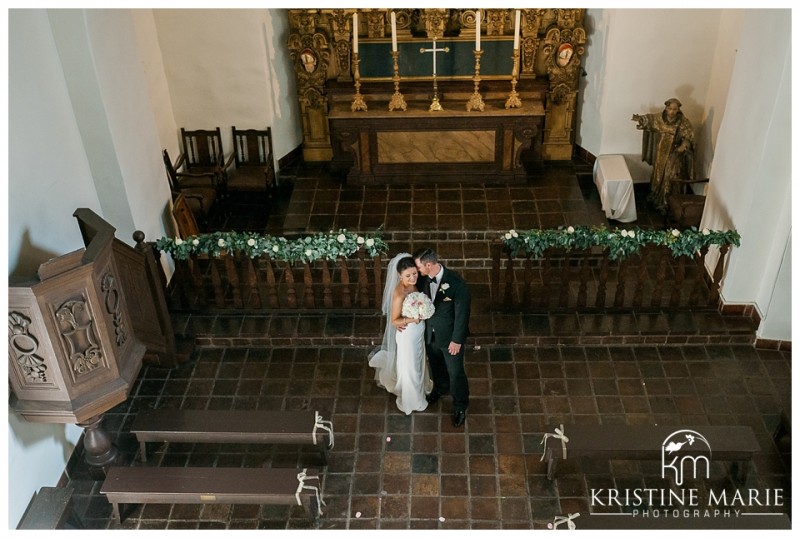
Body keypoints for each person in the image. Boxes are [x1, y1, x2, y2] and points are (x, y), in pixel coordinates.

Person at [413, 248, 471, 427]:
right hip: (430, 334)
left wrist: (457, 340)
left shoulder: (456, 283)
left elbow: (463, 314)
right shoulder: (423, 279)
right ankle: (440, 389)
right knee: (436, 366)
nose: (418, 271)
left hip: (450, 340)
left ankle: (460, 406)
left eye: (419, 267)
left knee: (455, 373)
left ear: (428, 265)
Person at [368, 253, 433, 415]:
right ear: (399, 275)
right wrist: (413, 319)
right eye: (408, 275)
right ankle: (412, 400)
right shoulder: (398, 294)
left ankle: (421, 387)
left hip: (418, 331)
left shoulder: (416, 283)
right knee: (410, 367)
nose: (412, 278)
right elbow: (395, 321)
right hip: (407, 335)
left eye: (414, 273)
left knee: (418, 362)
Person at [632, 97, 696, 213]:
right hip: (661, 151)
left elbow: (689, 136)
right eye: (670, 108)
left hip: (675, 154)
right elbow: (650, 120)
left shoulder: (683, 122)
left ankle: (668, 201)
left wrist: (684, 145)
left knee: (670, 175)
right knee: (658, 174)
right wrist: (640, 119)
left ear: (678, 110)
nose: (672, 111)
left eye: (675, 109)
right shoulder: (660, 118)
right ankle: (656, 197)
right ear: (666, 108)